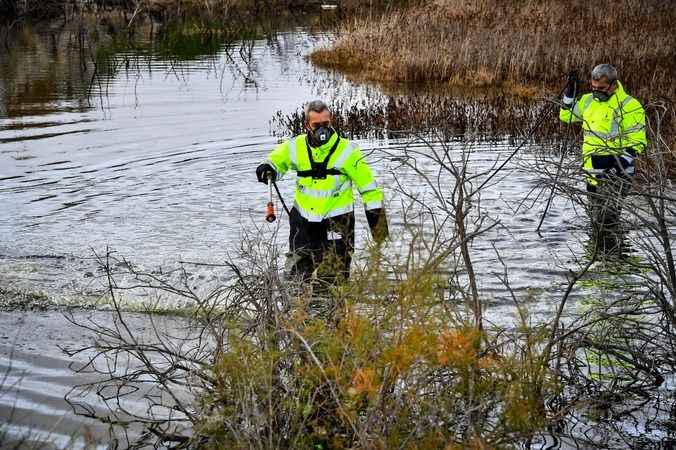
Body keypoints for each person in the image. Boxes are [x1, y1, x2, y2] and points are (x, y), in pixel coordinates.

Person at [256, 100, 388, 285]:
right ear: (306, 125)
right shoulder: (295, 146)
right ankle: (296, 312)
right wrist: (267, 168)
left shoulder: (348, 151)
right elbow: (276, 162)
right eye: (316, 125)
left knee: (333, 283)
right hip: (303, 221)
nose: (322, 130)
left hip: (338, 223)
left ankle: (334, 312)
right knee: (296, 280)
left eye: (326, 124)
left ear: (331, 121)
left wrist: (379, 230)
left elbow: (369, 190)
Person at [559, 64, 647, 256]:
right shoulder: (588, 101)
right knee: (596, 219)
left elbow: (637, 142)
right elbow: (566, 115)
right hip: (592, 173)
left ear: (614, 85)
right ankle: (599, 259)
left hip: (616, 173)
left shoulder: (629, 105)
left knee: (607, 222)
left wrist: (617, 169)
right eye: (594, 87)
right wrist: (570, 91)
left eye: (602, 88)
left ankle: (614, 261)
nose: (597, 92)